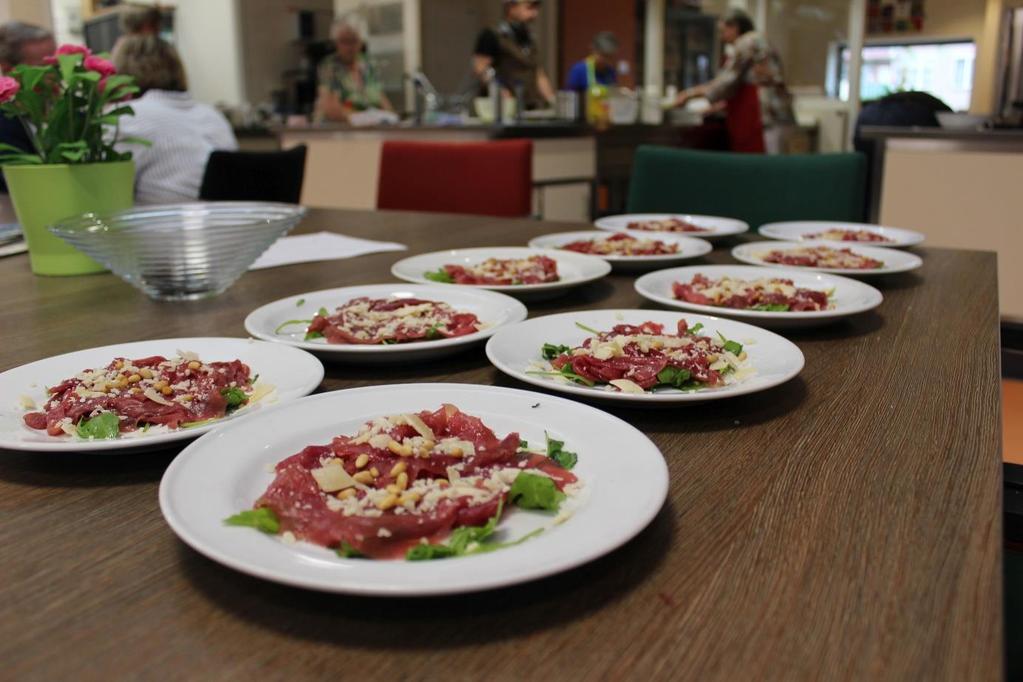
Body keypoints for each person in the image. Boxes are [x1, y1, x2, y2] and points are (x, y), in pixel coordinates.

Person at [113, 35, 237, 205]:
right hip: (232, 224)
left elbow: (108, 192)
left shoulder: (128, 117)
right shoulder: (213, 115)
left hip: (166, 227)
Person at [673, 9, 794, 154]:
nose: (722, 37)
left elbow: (725, 82)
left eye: (723, 32)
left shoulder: (747, 41)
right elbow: (738, 86)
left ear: (735, 27)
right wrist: (718, 106)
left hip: (766, 118)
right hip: (777, 117)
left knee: (765, 168)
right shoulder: (758, 40)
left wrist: (689, 94)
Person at [0, 22, 55, 191]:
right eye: (42, 67)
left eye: (56, 64)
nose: (54, 74)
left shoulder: (72, 114)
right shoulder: (4, 125)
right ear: (9, 69)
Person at [472, 0, 555, 110]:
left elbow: (538, 73)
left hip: (527, 106)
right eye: (529, 8)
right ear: (511, 7)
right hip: (501, 108)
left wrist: (552, 101)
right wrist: (498, 89)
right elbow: (480, 67)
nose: (535, 14)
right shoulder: (492, 35)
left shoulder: (528, 38)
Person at [316, 14, 393, 123]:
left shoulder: (369, 65)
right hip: (337, 131)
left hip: (369, 131)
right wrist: (362, 119)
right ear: (336, 42)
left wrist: (391, 119)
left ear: (362, 42)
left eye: (353, 41)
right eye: (344, 41)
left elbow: (381, 98)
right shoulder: (330, 66)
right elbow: (331, 109)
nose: (349, 47)